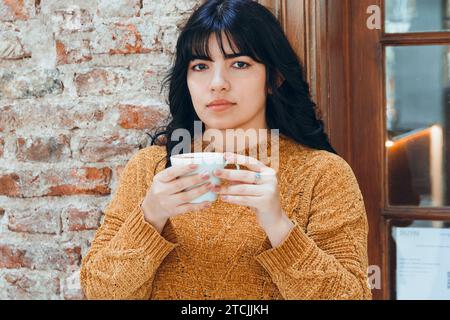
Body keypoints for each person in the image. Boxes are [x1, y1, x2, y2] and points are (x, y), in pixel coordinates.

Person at [80, 0, 372, 300]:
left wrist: (279, 226)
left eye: (240, 64)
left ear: (275, 77)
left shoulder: (323, 174)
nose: (217, 84)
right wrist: (151, 216)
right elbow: (99, 292)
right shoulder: (149, 168)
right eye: (201, 66)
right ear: (187, 79)